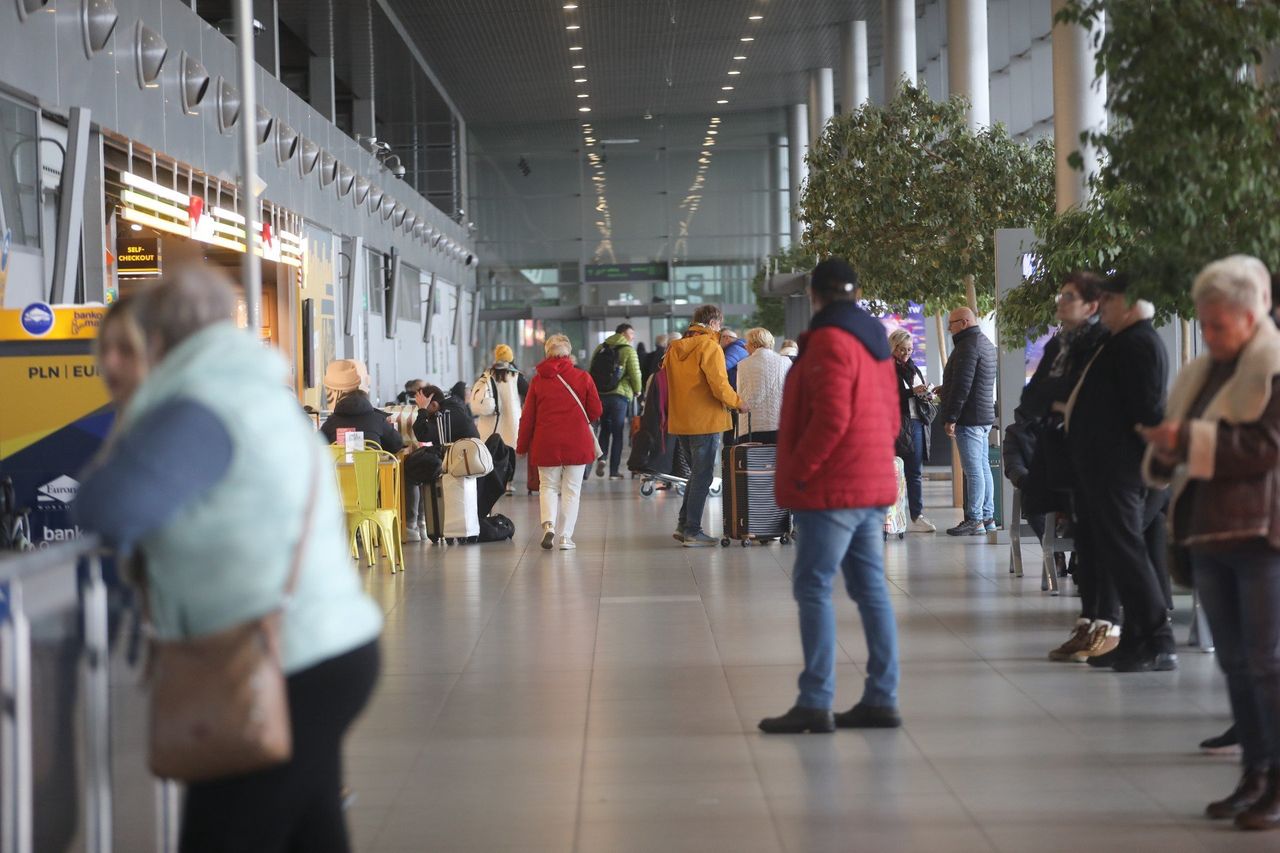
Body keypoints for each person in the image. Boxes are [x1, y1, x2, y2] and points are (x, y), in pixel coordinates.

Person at [74, 266, 382, 853]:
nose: (108, 365)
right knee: (311, 827)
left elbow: (106, 507)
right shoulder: (250, 390)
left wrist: (130, 419)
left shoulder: (200, 407)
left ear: (159, 341)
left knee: (225, 833)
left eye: (125, 347)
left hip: (280, 663)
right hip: (324, 648)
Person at [1140, 256, 1280, 829]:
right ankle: (1255, 771)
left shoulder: (1272, 366)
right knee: (1239, 666)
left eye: (1219, 324)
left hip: (1261, 533)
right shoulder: (1205, 371)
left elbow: (1265, 447)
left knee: (1268, 663)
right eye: (1205, 323)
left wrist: (1188, 440)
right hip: (1210, 532)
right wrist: (1170, 445)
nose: (1210, 334)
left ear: (1253, 317)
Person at [759, 258, 901, 734]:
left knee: (813, 586)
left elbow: (831, 418)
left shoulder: (828, 342)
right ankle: (882, 697)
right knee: (870, 590)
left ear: (815, 296)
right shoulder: (876, 343)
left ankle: (815, 700)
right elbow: (892, 419)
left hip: (833, 488)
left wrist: (798, 471)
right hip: (872, 482)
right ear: (856, 295)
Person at [1064, 272, 1174, 673]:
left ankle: (1158, 640)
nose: (1102, 308)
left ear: (1128, 303)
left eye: (1107, 301)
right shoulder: (1122, 341)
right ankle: (1139, 639)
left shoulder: (1138, 342)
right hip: (1106, 468)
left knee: (1127, 554)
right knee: (1120, 553)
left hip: (1121, 470)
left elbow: (1146, 412)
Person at [1010, 273, 1115, 663]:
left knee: (1098, 544)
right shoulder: (1059, 344)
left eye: (1068, 297)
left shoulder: (1101, 344)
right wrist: (1052, 408)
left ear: (1091, 306)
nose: (1060, 302)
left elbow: (1085, 399)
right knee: (1082, 541)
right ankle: (1087, 621)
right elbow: (1032, 395)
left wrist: (1058, 406)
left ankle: (1108, 624)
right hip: (1059, 455)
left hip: (1091, 456)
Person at [665, 305, 744, 546]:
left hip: (681, 420)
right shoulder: (710, 346)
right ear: (712, 323)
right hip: (706, 421)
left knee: (696, 475)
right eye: (719, 325)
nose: (720, 329)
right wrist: (738, 402)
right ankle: (692, 530)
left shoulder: (674, 348)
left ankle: (683, 524)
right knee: (703, 475)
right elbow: (719, 384)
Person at [516, 334, 603, 551]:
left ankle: (549, 527)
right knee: (572, 490)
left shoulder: (537, 381)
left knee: (548, 486)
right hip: (577, 441)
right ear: (568, 353)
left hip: (546, 442)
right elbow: (596, 410)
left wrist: (521, 446)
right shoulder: (583, 377)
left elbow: (528, 418)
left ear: (547, 354)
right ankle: (565, 537)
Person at [941, 307, 998, 536]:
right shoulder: (983, 342)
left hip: (969, 417)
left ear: (964, 322)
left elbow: (963, 386)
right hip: (982, 415)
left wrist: (950, 417)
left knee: (973, 471)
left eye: (951, 323)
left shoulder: (967, 346)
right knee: (983, 469)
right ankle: (988, 517)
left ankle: (974, 519)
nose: (949, 328)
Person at [888, 328, 936, 533]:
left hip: (916, 423)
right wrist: (911, 392)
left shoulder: (913, 368)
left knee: (915, 472)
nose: (906, 353)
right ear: (893, 347)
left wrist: (926, 394)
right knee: (893, 471)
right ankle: (890, 516)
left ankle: (917, 515)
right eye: (901, 349)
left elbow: (916, 392)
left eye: (909, 349)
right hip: (896, 424)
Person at [589, 323, 643, 480]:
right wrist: (637, 390)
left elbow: (591, 369)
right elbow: (635, 373)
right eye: (631, 333)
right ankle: (613, 472)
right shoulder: (628, 350)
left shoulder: (600, 348)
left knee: (605, 429)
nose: (632, 337)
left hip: (601, 394)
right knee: (618, 432)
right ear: (623, 334)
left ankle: (602, 458)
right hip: (619, 395)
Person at [318, 361, 403, 452]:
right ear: (366, 401)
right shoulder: (377, 419)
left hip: (339, 465)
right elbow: (397, 444)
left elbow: (317, 445)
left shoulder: (332, 421)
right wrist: (378, 446)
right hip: (372, 465)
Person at [734, 327, 790, 444]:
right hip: (780, 424)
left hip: (752, 427)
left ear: (754, 344)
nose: (745, 346)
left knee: (754, 460)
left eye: (747, 343)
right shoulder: (786, 362)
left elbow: (741, 394)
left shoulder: (743, 365)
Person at [470, 344, 525, 447]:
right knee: (510, 459)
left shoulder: (487, 375)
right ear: (511, 359)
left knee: (491, 459)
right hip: (511, 428)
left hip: (489, 430)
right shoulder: (516, 377)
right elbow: (529, 394)